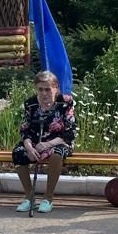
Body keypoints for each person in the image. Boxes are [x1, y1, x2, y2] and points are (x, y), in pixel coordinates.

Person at [13, 70, 76, 214]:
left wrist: (48, 144)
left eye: (48, 89)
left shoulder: (65, 102)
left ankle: (48, 198)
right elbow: (25, 130)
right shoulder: (31, 104)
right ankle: (30, 198)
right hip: (35, 141)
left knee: (56, 155)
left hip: (59, 141)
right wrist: (29, 147)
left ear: (56, 88)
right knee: (18, 152)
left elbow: (70, 132)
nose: (44, 93)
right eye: (40, 89)